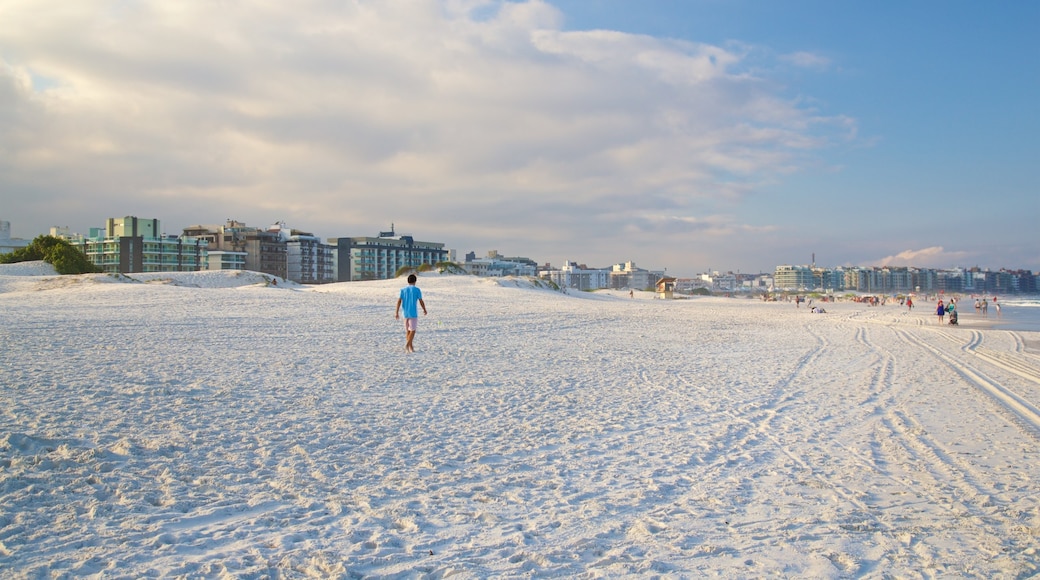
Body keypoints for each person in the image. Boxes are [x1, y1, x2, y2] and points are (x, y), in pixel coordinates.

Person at [395, 273, 427, 352]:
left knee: (408, 331)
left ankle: (411, 348)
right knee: (413, 330)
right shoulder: (417, 290)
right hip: (413, 313)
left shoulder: (403, 290)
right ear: (415, 281)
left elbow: (399, 301)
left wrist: (396, 312)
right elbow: (420, 301)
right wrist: (424, 309)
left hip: (405, 313)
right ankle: (408, 344)